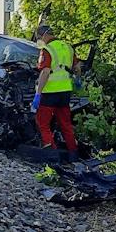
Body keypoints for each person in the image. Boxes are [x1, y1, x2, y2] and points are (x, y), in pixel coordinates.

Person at [32, 22, 80, 156]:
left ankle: (52, 154)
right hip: (65, 92)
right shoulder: (68, 47)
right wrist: (78, 80)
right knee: (66, 124)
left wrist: (38, 94)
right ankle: (73, 154)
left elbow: (45, 72)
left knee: (43, 123)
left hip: (50, 93)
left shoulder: (47, 50)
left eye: (39, 37)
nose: (39, 40)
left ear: (45, 35)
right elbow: (77, 67)